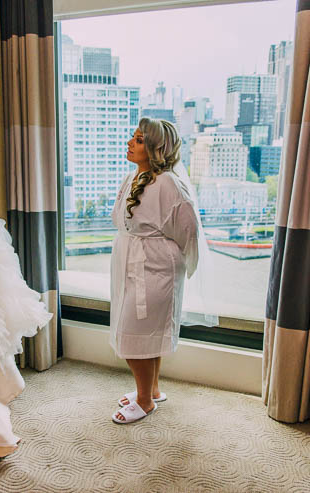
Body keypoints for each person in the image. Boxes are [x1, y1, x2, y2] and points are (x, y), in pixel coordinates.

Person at [109, 117, 200, 424]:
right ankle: (153, 389)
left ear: (154, 147)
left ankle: (145, 401)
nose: (129, 143)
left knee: (135, 334)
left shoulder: (169, 185)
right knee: (144, 333)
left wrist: (170, 262)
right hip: (133, 262)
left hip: (155, 268)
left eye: (137, 140)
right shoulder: (134, 177)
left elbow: (188, 229)